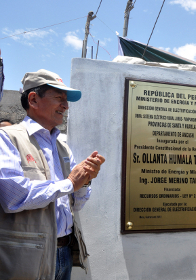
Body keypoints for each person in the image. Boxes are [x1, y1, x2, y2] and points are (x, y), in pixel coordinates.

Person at [0, 69, 105, 280]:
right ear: (33, 99)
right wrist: (70, 183)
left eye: (66, 101)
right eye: (59, 98)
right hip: (27, 256)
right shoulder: (7, 138)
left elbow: (75, 204)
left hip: (64, 252)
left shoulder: (62, 147)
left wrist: (85, 181)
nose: (65, 106)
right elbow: (12, 196)